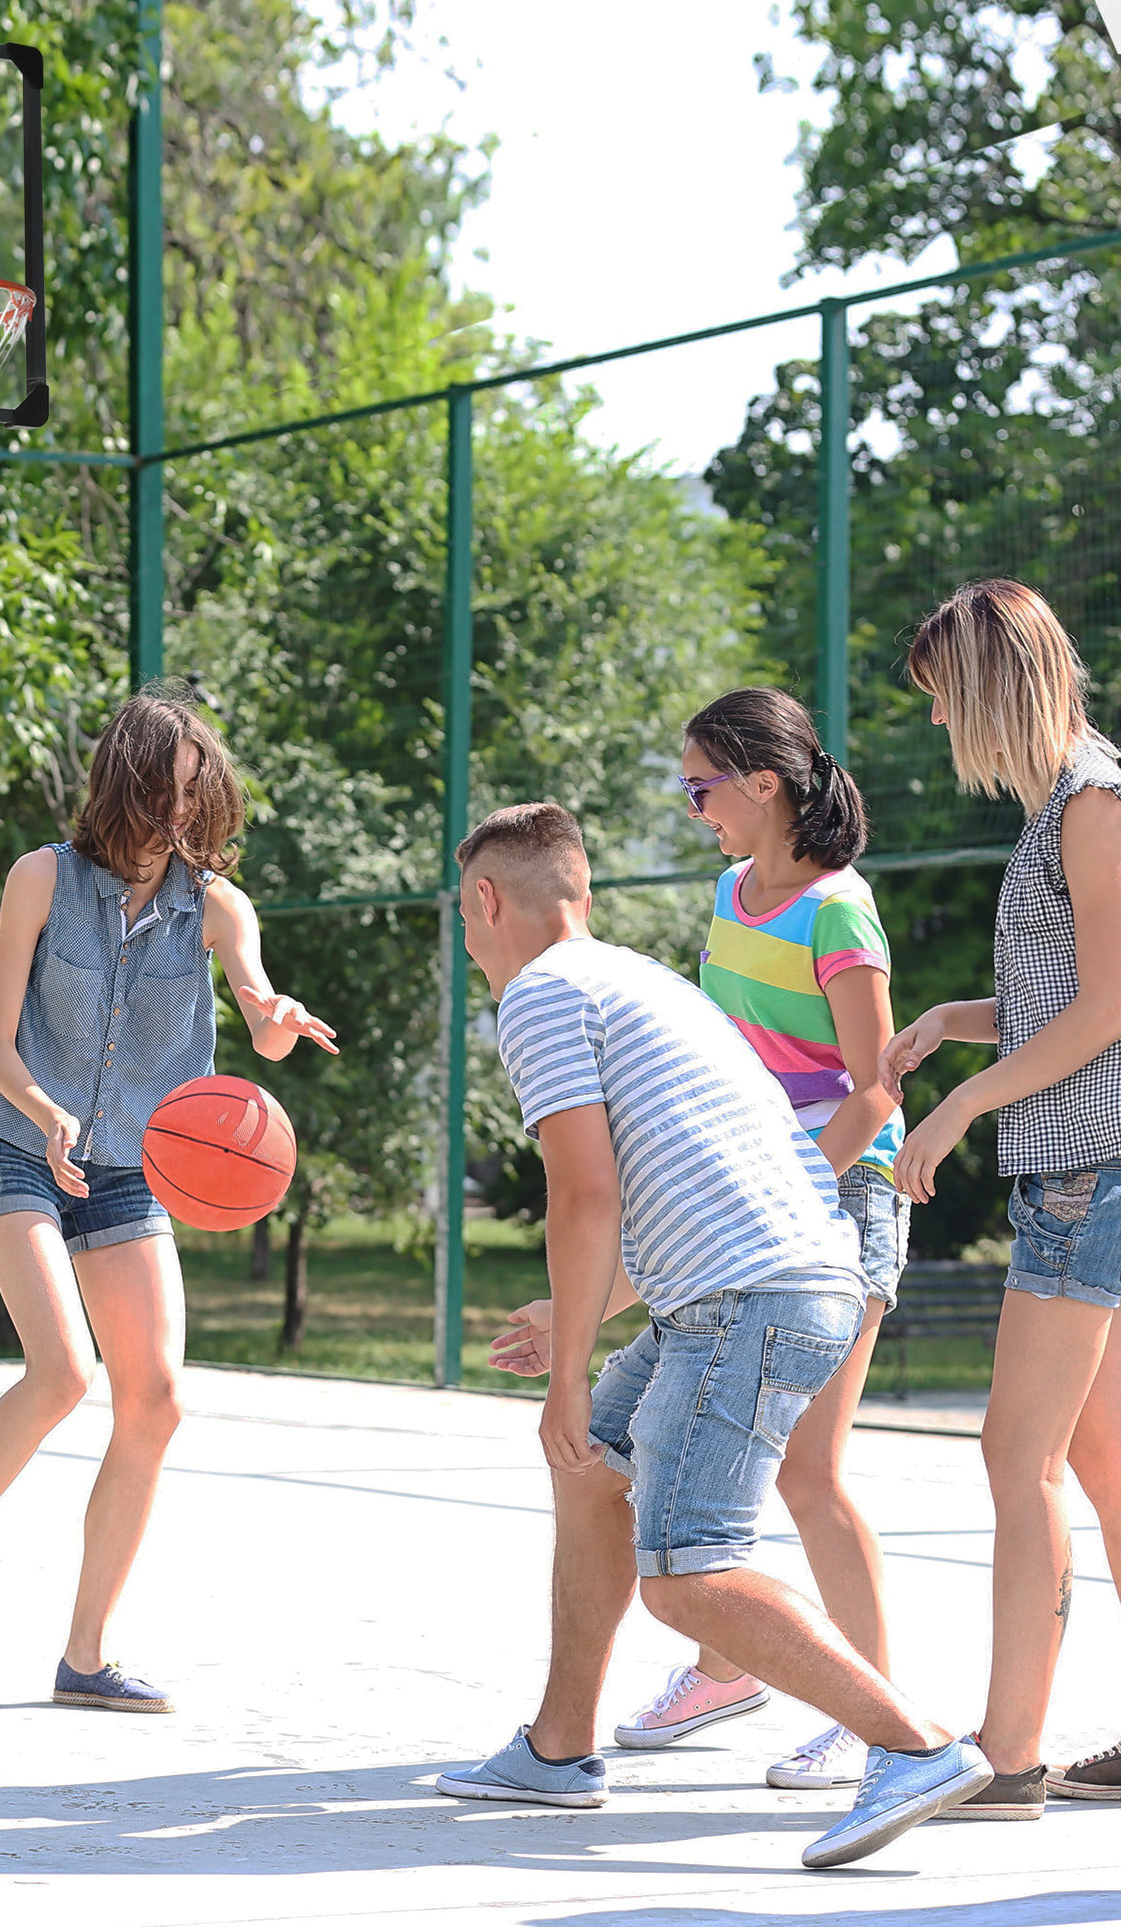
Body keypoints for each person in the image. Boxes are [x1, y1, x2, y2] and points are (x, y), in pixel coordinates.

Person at [435, 801, 985, 1870]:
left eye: (464, 914)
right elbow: (699, 1187)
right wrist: (578, 1318)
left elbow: (584, 1195)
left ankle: (911, 1744)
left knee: (687, 1568)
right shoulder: (635, 979)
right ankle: (556, 1747)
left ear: (488, 901)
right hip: (762, 1280)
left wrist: (561, 1378)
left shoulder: (539, 995)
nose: (467, 937)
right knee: (594, 1468)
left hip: (751, 1300)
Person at [0, 687, 336, 1714]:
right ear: (120, 785)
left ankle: (85, 1655)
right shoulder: (40, 878)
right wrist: (47, 1112)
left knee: (157, 1396)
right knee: (59, 1370)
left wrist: (272, 1015)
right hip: (13, 1137)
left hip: (133, 1162)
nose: (178, 814)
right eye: (161, 793)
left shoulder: (218, 907)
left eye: (194, 794)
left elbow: (260, 1016)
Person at [591, 689, 909, 1791]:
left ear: (761, 781)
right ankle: (723, 1665)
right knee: (705, 1451)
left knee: (809, 1474)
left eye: (699, 786)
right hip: (757, 1200)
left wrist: (789, 1187)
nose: (691, 809)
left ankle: (879, 1717)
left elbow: (870, 1090)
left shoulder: (839, 911)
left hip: (841, 1197)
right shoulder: (731, 892)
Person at [881, 579, 1121, 1817]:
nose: (935, 725)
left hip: (1089, 1170)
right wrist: (951, 1023)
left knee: (1014, 1451)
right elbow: (1060, 998)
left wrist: (961, 1102)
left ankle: (1008, 1753)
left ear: (985, 687)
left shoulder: (1091, 801)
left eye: (939, 700)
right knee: (1094, 1453)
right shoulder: (1064, 803)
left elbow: (1106, 1006)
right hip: (1086, 1164)